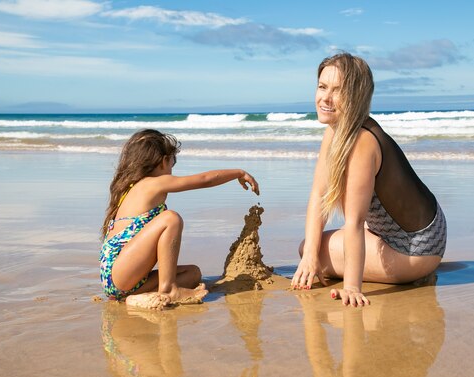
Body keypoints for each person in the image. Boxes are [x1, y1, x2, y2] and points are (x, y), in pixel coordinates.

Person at [291, 53, 447, 307]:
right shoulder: (336, 130)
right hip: (423, 227)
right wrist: (309, 257)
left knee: (310, 249)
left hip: (416, 249)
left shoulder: (362, 141)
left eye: (338, 91)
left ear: (356, 96)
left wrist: (351, 286)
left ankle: (411, 272)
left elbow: (354, 222)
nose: (325, 98)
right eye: (322, 87)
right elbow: (318, 196)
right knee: (310, 250)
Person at [100, 129, 260, 309]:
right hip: (120, 272)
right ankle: (169, 289)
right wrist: (238, 172)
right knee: (170, 218)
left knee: (193, 273)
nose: (171, 169)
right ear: (163, 161)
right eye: (172, 163)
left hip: (124, 278)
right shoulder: (151, 183)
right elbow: (204, 179)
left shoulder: (130, 188)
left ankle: (134, 298)